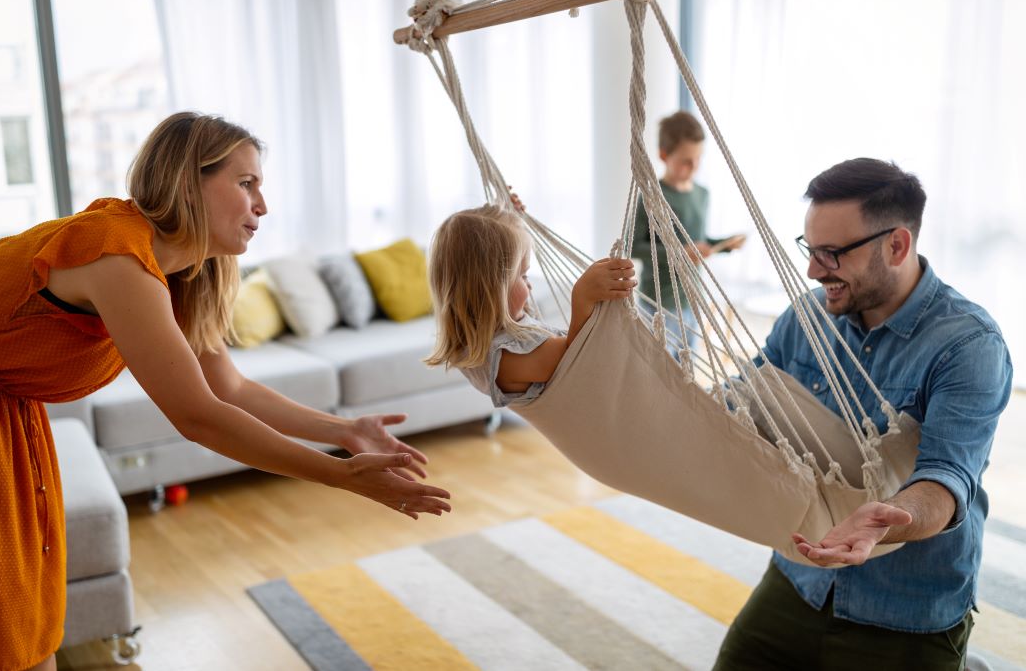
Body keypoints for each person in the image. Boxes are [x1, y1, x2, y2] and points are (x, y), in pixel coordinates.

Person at [0, 112, 452, 671]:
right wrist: (337, 473)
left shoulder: (189, 273)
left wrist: (345, 431)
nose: (263, 205)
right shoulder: (115, 254)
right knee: (1, 620)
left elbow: (228, 388)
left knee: (23, 618)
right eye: (246, 184)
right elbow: (198, 416)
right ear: (189, 182)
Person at [713, 158, 1013, 670]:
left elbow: (947, 478)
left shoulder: (967, 345)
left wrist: (891, 520)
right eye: (810, 250)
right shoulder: (806, 317)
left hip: (906, 605)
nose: (811, 270)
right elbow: (745, 398)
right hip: (799, 575)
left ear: (896, 245)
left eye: (831, 253)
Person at [425, 203, 636, 407]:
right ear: (493, 289)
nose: (530, 285)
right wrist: (581, 299)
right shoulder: (505, 360)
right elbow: (575, 363)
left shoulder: (502, 325)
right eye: (523, 275)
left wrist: (510, 213)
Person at [632, 110, 745, 355]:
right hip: (659, 301)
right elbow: (634, 246)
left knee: (687, 371)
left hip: (691, 300)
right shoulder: (652, 196)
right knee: (660, 372)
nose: (694, 166)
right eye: (686, 160)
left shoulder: (702, 195)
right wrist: (679, 252)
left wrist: (724, 245)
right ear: (664, 155)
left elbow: (698, 242)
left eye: (698, 158)